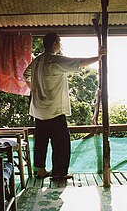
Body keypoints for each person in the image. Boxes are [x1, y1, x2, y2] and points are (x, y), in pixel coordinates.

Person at [23, 32, 106, 181]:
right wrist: (98, 57)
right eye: (59, 42)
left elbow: (25, 74)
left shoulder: (37, 61)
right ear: (54, 44)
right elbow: (78, 62)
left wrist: (34, 88)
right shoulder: (54, 60)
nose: (60, 44)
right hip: (54, 109)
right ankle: (59, 173)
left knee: (41, 141)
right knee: (61, 143)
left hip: (38, 110)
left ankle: (40, 170)